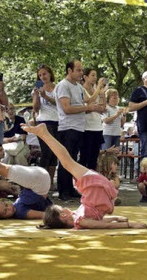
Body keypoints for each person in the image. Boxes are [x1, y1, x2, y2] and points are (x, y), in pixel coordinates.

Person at [22, 123, 146, 229]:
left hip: (95, 186)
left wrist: (117, 218)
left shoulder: (78, 216)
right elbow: (102, 224)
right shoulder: (80, 220)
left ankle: (44, 134)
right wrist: (129, 224)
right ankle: (44, 133)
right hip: (95, 186)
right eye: (63, 208)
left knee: (67, 162)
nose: (65, 207)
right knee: (67, 162)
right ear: (63, 215)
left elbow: (100, 222)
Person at [55, 59, 104, 201]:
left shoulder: (78, 86)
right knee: (66, 160)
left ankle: (70, 189)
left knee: (73, 160)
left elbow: (84, 105)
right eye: (78, 70)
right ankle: (63, 190)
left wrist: (94, 108)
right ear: (69, 71)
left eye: (82, 70)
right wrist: (88, 108)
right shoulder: (63, 86)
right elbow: (67, 108)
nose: (81, 73)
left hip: (79, 128)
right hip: (67, 128)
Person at [32, 64, 59, 190]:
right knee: (46, 152)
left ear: (50, 74)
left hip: (58, 122)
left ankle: (51, 182)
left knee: (55, 153)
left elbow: (60, 104)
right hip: (43, 122)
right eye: (40, 75)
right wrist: (37, 96)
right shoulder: (36, 90)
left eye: (45, 74)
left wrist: (46, 96)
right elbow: (36, 109)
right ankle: (41, 181)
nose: (43, 76)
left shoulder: (58, 88)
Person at [128, 71, 147, 160]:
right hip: (145, 127)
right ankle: (144, 173)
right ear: (143, 79)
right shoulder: (138, 91)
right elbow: (131, 107)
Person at [81, 69, 107, 170]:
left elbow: (103, 108)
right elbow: (88, 103)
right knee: (85, 156)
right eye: (92, 75)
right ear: (85, 77)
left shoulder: (97, 90)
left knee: (94, 157)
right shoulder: (82, 90)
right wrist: (93, 107)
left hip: (97, 127)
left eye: (96, 75)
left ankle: (92, 180)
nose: (95, 78)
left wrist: (102, 93)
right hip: (86, 127)